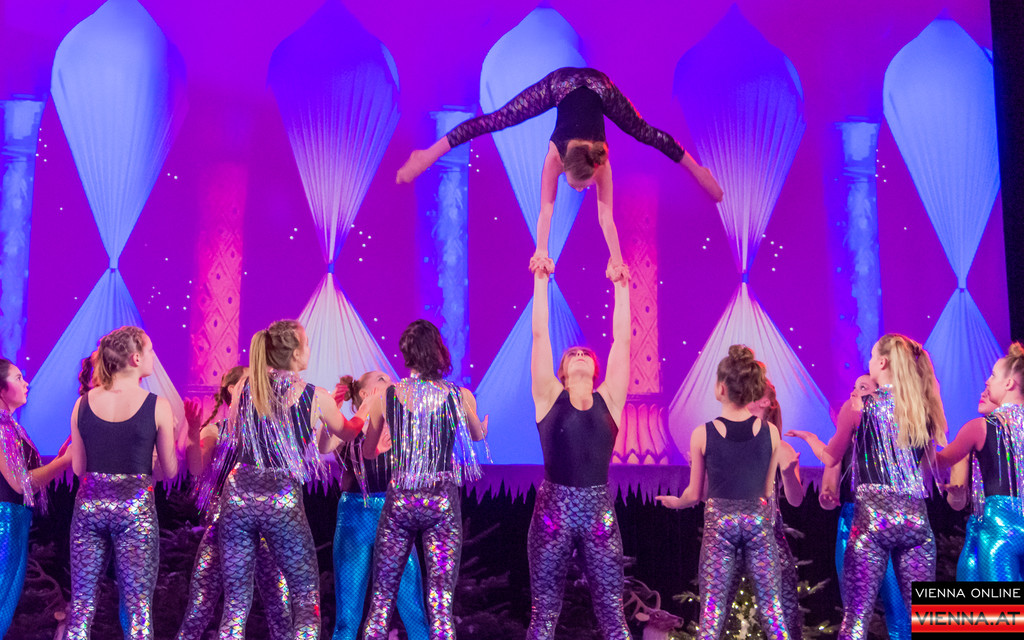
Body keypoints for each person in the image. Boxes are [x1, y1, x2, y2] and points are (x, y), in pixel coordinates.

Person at [396, 68, 723, 279]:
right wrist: (541, 251)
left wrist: (617, 260)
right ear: (564, 164)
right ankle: (428, 154)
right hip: (561, 85)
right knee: (498, 119)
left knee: (645, 133)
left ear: (595, 167)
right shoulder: (554, 156)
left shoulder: (601, 162)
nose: (580, 190)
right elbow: (546, 211)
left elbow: (606, 218)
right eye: (579, 186)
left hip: (600, 87)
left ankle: (699, 171)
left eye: (583, 185)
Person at [211, 320, 363, 639]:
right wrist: (368, 408)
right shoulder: (315, 395)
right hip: (281, 500)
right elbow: (348, 433)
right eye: (306, 344)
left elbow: (237, 434)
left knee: (236, 603)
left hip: (237, 496)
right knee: (305, 598)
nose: (309, 349)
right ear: (295, 354)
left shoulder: (245, 386)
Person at [789, 334, 945, 640]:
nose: (870, 362)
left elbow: (831, 457)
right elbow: (928, 466)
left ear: (883, 363)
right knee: (925, 618)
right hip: (915, 521)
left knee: (856, 618)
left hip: (873, 521)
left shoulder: (859, 407)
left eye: (872, 357)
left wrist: (810, 438)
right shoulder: (922, 409)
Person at [525, 256, 632, 640]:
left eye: (586, 353)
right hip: (552, 512)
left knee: (613, 613)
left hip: (598, 513)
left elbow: (623, 340)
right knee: (544, 613)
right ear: (563, 370)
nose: (580, 354)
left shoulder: (610, 400)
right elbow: (540, 335)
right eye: (573, 354)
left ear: (596, 369)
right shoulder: (547, 396)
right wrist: (541, 279)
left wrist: (622, 287)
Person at [361, 320, 487, 640]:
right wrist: (483, 425)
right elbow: (477, 436)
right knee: (440, 603)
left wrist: (381, 445)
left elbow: (368, 451)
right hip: (441, 502)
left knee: (381, 600)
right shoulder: (458, 395)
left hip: (400, 501)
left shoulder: (386, 396)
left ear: (406, 354)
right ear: (438, 350)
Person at [656, 345, 789, 640]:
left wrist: (675, 502)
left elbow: (694, 494)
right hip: (758, 522)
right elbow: (767, 489)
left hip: (720, 525)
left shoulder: (702, 434)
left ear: (721, 388)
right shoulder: (770, 432)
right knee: (772, 611)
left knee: (712, 614)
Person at [66, 327, 179, 639]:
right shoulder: (157, 405)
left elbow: (78, 468)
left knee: (82, 607)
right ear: (136, 358)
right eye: (151, 350)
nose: (153, 356)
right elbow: (170, 472)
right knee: (137, 607)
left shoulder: (82, 403)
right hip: (135, 512)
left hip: (89, 509)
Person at [177, 366, 290, 640]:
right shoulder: (217, 431)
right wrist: (192, 432)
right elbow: (196, 467)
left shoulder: (271, 432)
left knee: (280, 607)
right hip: (226, 526)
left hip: (266, 527)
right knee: (202, 605)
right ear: (233, 389)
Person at [322, 371, 430, 640]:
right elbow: (325, 446)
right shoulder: (348, 428)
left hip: (392, 516)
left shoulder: (400, 428)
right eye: (381, 379)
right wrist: (333, 412)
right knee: (348, 616)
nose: (390, 381)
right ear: (363, 393)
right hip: (354, 516)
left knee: (414, 609)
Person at [818, 375, 909, 640]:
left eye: (864, 388)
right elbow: (829, 484)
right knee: (854, 610)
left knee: (898, 607)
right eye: (854, 388)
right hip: (852, 522)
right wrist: (826, 496)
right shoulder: (843, 440)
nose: (855, 393)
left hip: (886, 523)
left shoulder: (894, 439)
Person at [934, 343, 1024, 581]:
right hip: (987, 528)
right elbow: (956, 497)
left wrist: (922, 427)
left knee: (1001, 605)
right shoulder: (982, 429)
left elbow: (937, 462)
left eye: (992, 376)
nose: (986, 382)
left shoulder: (979, 428)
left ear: (1009, 384)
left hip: (998, 530)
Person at [0, 359, 72, 635]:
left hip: (16, 520)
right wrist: (63, 463)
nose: (26, 383)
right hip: (5, 520)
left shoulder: (12, 427)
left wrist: (59, 459)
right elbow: (21, 484)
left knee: (6, 603)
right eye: (18, 378)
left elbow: (28, 480)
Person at [737, 380, 803, 639]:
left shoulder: (781, 447)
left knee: (785, 616)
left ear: (766, 403)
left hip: (770, 540)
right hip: (731, 539)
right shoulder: (728, 442)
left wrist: (788, 473)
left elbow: (795, 500)